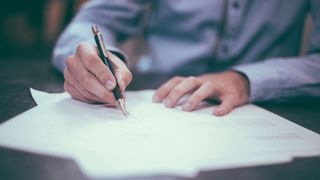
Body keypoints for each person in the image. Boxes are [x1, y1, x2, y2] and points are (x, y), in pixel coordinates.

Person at [53, 0, 320, 116]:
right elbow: (90, 22)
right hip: (157, 96)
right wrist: (92, 60)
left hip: (270, 105)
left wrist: (245, 80)